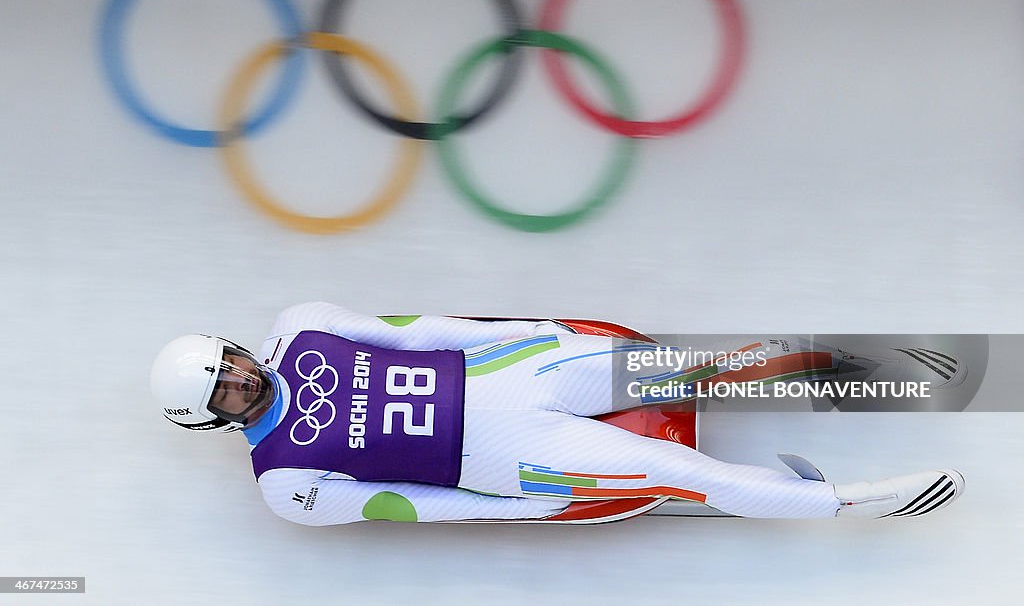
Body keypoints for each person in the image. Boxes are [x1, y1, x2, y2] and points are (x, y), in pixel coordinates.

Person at [150, 302, 966, 525]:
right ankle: (846, 501)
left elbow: (425, 330)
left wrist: (532, 335)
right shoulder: (282, 482)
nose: (240, 378)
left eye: (230, 361)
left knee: (694, 367)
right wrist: (520, 507)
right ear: (211, 417)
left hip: (512, 371)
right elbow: (401, 507)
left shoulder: (301, 324)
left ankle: (871, 368)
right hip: (501, 455)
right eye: (221, 388)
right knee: (679, 475)